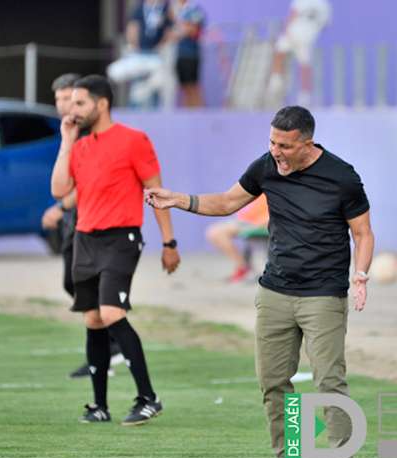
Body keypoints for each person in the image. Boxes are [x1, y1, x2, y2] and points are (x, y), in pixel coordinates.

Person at [146, 106, 374, 458]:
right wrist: (178, 199)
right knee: (274, 383)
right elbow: (226, 202)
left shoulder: (342, 177)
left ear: (306, 143)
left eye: (284, 145)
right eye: (271, 142)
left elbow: (363, 233)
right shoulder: (266, 166)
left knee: (329, 383)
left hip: (323, 295)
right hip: (274, 292)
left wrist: (361, 275)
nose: (276, 151)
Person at [50, 75, 181, 425]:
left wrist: (169, 242)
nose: (71, 110)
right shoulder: (78, 146)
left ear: (101, 103)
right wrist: (65, 142)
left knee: (110, 313)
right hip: (85, 239)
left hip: (120, 238)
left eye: (79, 103)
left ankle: (148, 398)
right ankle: (99, 406)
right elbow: (60, 190)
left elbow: (156, 193)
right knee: (92, 318)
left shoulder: (133, 140)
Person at [39, 73, 125, 379]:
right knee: (73, 284)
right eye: (60, 100)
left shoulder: (90, 135)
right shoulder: (69, 133)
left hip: (91, 222)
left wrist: (60, 207)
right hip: (76, 220)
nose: (64, 106)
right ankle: (108, 349)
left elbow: (86, 182)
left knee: (89, 289)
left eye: (70, 99)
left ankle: (110, 350)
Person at [106, 0, 176, 108]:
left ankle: (153, 113)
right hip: (139, 53)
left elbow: (170, 29)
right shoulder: (139, 7)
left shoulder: (165, 7)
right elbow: (132, 27)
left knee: (157, 84)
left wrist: (161, 46)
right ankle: (135, 111)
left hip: (156, 54)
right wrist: (133, 46)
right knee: (133, 83)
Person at [267, 0, 331, 107]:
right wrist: (312, 30)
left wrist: (286, 29)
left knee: (279, 52)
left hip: (293, 32)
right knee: (304, 65)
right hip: (307, 37)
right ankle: (305, 95)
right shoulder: (324, 5)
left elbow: (293, 14)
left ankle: (276, 81)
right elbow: (325, 24)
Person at [205, 194, 269, 283]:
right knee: (214, 232)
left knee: (217, 233)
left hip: (262, 223)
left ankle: (245, 268)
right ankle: (243, 267)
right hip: (249, 221)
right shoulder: (262, 185)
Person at [173, 0, 207, 107]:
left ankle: (200, 115)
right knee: (185, 88)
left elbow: (195, 30)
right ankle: (190, 114)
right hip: (179, 54)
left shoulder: (194, 9)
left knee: (193, 87)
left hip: (191, 54)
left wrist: (182, 30)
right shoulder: (174, 10)